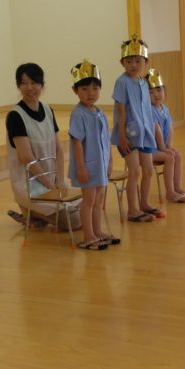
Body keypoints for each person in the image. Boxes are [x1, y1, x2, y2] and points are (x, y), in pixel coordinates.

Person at [5, 62, 80, 230]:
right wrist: (50, 186)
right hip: (32, 185)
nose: (29, 88)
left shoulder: (48, 110)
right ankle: (31, 211)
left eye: (34, 82)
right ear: (18, 86)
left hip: (52, 180)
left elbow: (58, 149)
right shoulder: (16, 116)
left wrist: (60, 180)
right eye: (24, 83)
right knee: (74, 221)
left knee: (88, 203)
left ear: (42, 85)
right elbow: (27, 158)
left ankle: (34, 215)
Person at [112, 35, 164, 223]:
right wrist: (122, 136)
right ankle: (132, 210)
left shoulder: (143, 82)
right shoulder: (122, 82)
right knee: (134, 172)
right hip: (129, 135)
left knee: (148, 171)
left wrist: (152, 133)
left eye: (137, 60)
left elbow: (146, 110)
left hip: (145, 134)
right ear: (122, 63)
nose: (133, 65)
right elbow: (120, 109)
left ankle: (144, 203)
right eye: (129, 61)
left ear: (146, 62)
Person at [68, 60, 114, 250]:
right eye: (85, 89)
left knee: (99, 199)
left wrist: (110, 161)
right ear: (75, 90)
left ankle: (97, 231)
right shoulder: (78, 114)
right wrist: (81, 167)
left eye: (95, 88)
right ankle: (88, 235)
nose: (91, 93)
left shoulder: (100, 112)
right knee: (88, 200)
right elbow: (77, 142)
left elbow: (106, 140)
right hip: (87, 165)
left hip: (101, 165)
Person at [147, 69, 185, 204]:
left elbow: (170, 128)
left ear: (164, 91)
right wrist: (163, 148)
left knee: (177, 154)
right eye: (151, 92)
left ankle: (178, 187)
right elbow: (156, 130)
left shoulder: (165, 109)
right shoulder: (149, 110)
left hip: (161, 147)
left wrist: (169, 146)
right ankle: (170, 192)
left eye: (159, 90)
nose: (156, 95)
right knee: (169, 158)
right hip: (149, 150)